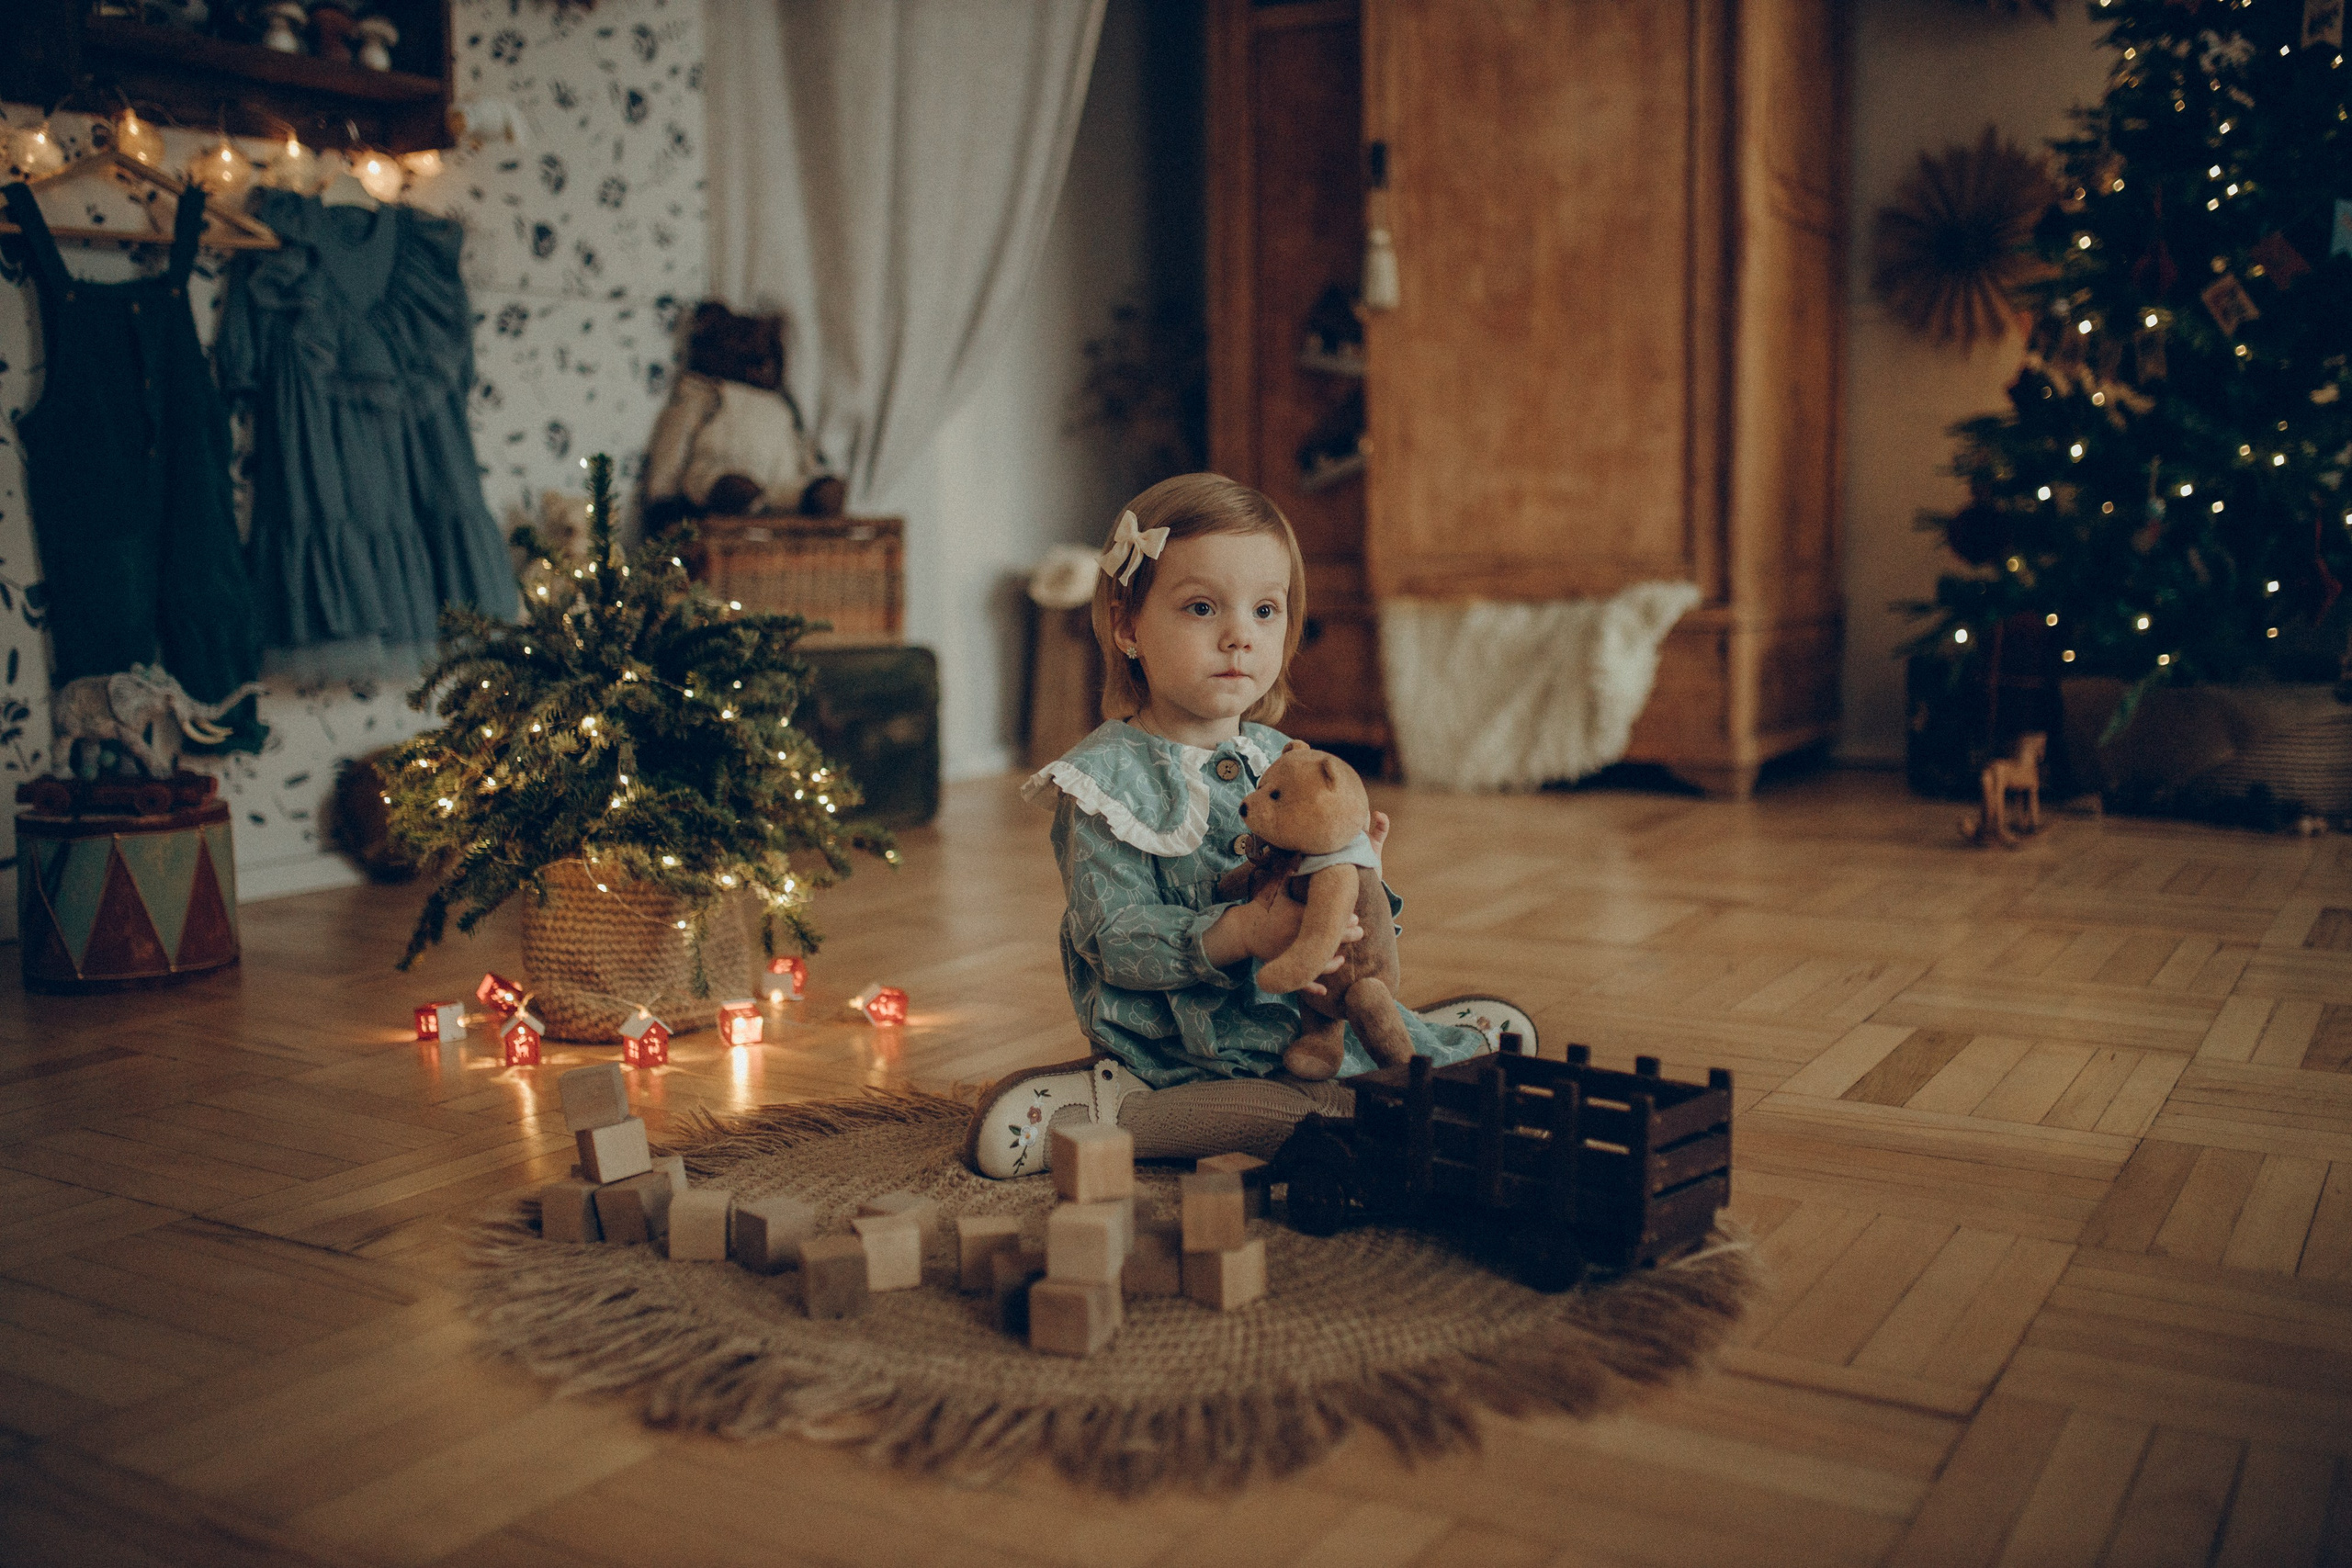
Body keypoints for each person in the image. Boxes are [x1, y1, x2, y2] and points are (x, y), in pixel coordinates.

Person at [963, 472, 1533, 1179]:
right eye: (1203, 607)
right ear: (1126, 624)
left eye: (1266, 610)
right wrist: (1236, 934)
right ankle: (1108, 1113)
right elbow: (1113, 940)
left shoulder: (1280, 758)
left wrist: (1361, 881)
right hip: (1178, 1040)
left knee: (1367, 1061)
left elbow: (1329, 901)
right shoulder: (1103, 783)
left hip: (1293, 1022)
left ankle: (1412, 1055)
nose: (1239, 635)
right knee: (1290, 1115)